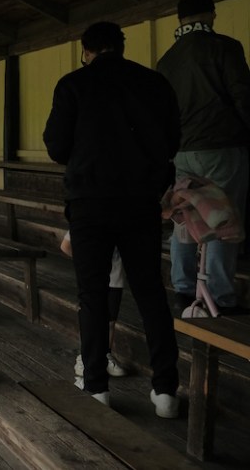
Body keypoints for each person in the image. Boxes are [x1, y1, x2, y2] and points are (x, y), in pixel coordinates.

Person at [43, 21, 181, 417]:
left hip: (90, 202)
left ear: (86, 51)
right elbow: (172, 141)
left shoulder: (73, 84)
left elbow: (56, 147)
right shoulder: (154, 83)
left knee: (92, 294)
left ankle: (96, 386)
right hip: (140, 202)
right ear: (120, 47)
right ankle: (166, 391)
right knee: (150, 293)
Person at [156, 0, 250, 315]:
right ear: (211, 14)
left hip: (183, 151)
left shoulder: (167, 60)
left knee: (185, 217)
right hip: (222, 147)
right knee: (223, 219)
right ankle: (219, 296)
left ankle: (183, 289)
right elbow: (243, 96)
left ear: (180, 19)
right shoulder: (225, 48)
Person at [61, 233, 127, 379]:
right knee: (91, 318)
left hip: (115, 277)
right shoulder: (86, 220)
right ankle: (84, 356)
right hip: (92, 277)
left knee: (110, 320)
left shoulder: (122, 222)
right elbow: (65, 246)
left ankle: (106, 354)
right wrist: (86, 262)